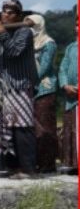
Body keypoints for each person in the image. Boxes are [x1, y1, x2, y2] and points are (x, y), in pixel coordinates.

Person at [0, 0, 37, 178]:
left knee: (23, 127)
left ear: (19, 15)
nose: (5, 14)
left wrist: (1, 32)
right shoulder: (3, 34)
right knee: (9, 128)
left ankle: (29, 169)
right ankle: (14, 167)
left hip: (21, 86)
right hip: (7, 88)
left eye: (11, 12)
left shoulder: (25, 32)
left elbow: (14, 52)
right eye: (4, 11)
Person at [29, 14, 58, 173]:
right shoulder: (29, 43)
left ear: (39, 25)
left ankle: (48, 163)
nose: (30, 29)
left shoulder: (48, 43)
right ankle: (38, 161)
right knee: (35, 128)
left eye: (33, 26)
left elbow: (45, 67)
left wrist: (30, 79)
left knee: (46, 128)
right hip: (32, 89)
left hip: (45, 89)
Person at [58, 19, 77, 175]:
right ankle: (73, 163)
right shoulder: (71, 48)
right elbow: (63, 68)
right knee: (71, 129)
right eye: (76, 23)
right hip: (72, 96)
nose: (77, 27)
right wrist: (65, 85)